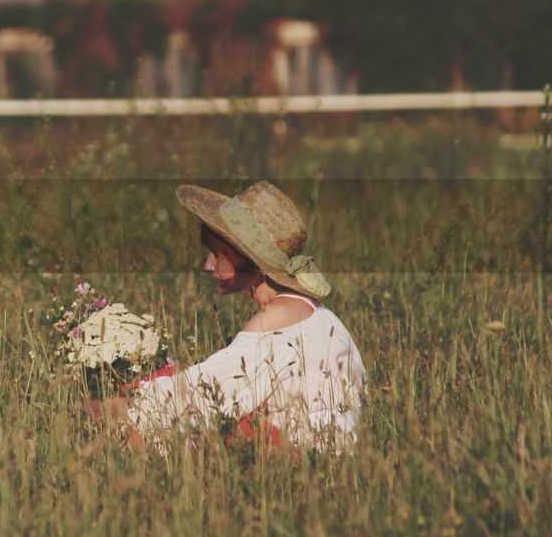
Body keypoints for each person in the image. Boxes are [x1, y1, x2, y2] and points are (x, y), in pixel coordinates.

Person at [94, 181, 365, 453]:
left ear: (245, 259)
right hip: (327, 449)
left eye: (217, 255)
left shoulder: (276, 317)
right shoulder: (310, 310)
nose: (208, 265)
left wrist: (124, 404)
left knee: (169, 418)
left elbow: (208, 393)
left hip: (306, 454)